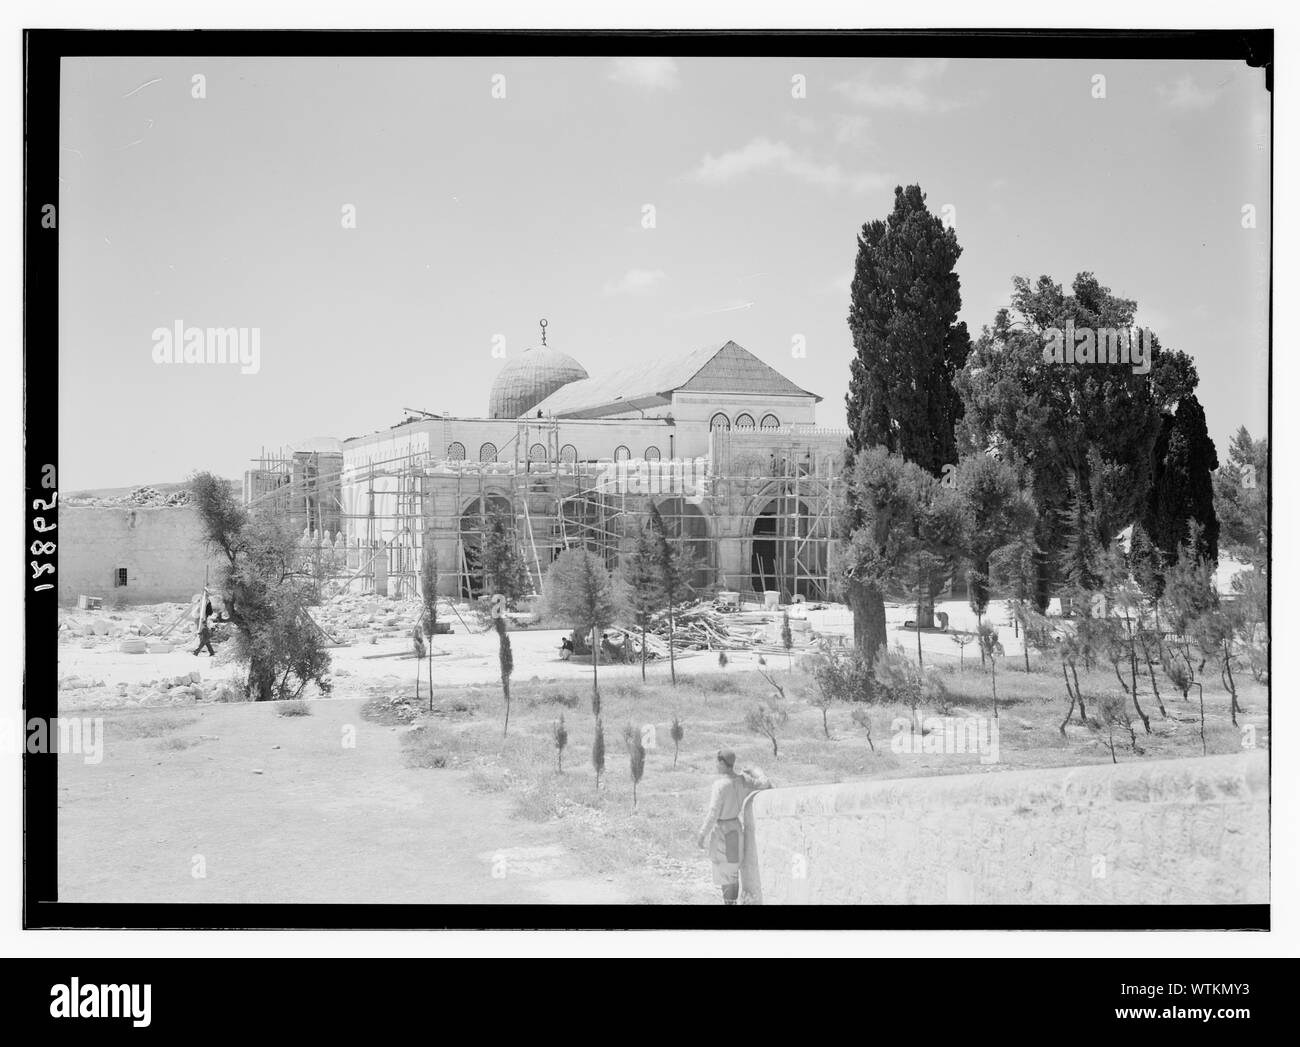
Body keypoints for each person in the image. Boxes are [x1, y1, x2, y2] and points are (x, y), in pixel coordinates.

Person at [696, 749, 758, 905]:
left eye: (717, 762)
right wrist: (754, 771)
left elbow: (713, 813)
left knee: (726, 873)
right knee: (732, 872)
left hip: (724, 832)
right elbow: (765, 783)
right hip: (736, 828)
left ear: (722, 763)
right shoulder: (743, 780)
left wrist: (702, 834)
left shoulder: (720, 785)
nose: (716, 765)